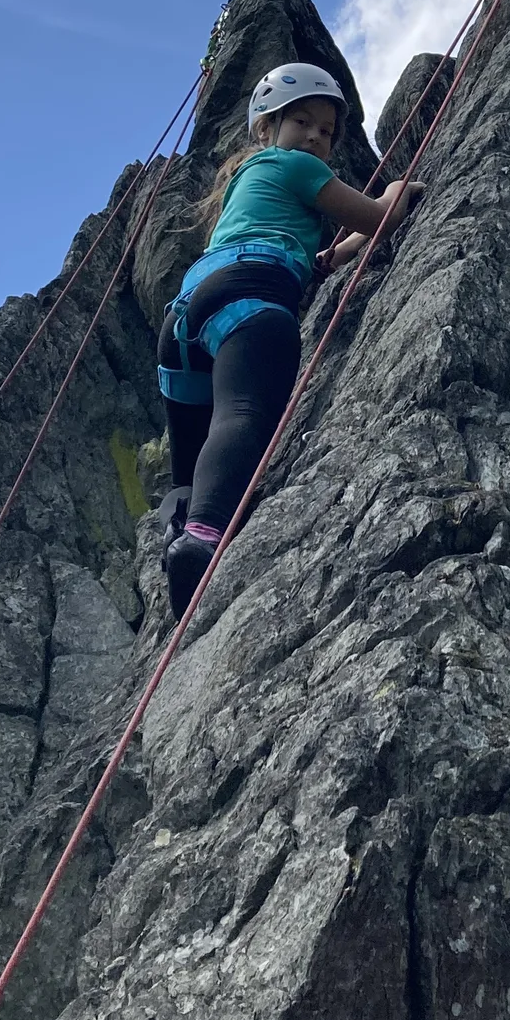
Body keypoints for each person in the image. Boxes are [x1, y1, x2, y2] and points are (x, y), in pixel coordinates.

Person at [157, 62, 414, 621]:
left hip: (187, 319)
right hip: (251, 301)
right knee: (244, 410)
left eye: (326, 131)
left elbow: (317, 262)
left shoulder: (250, 183)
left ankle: (179, 527)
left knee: (189, 463)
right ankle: (201, 541)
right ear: (266, 127)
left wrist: (340, 251)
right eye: (303, 122)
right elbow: (379, 218)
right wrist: (399, 187)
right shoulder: (295, 166)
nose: (316, 138)